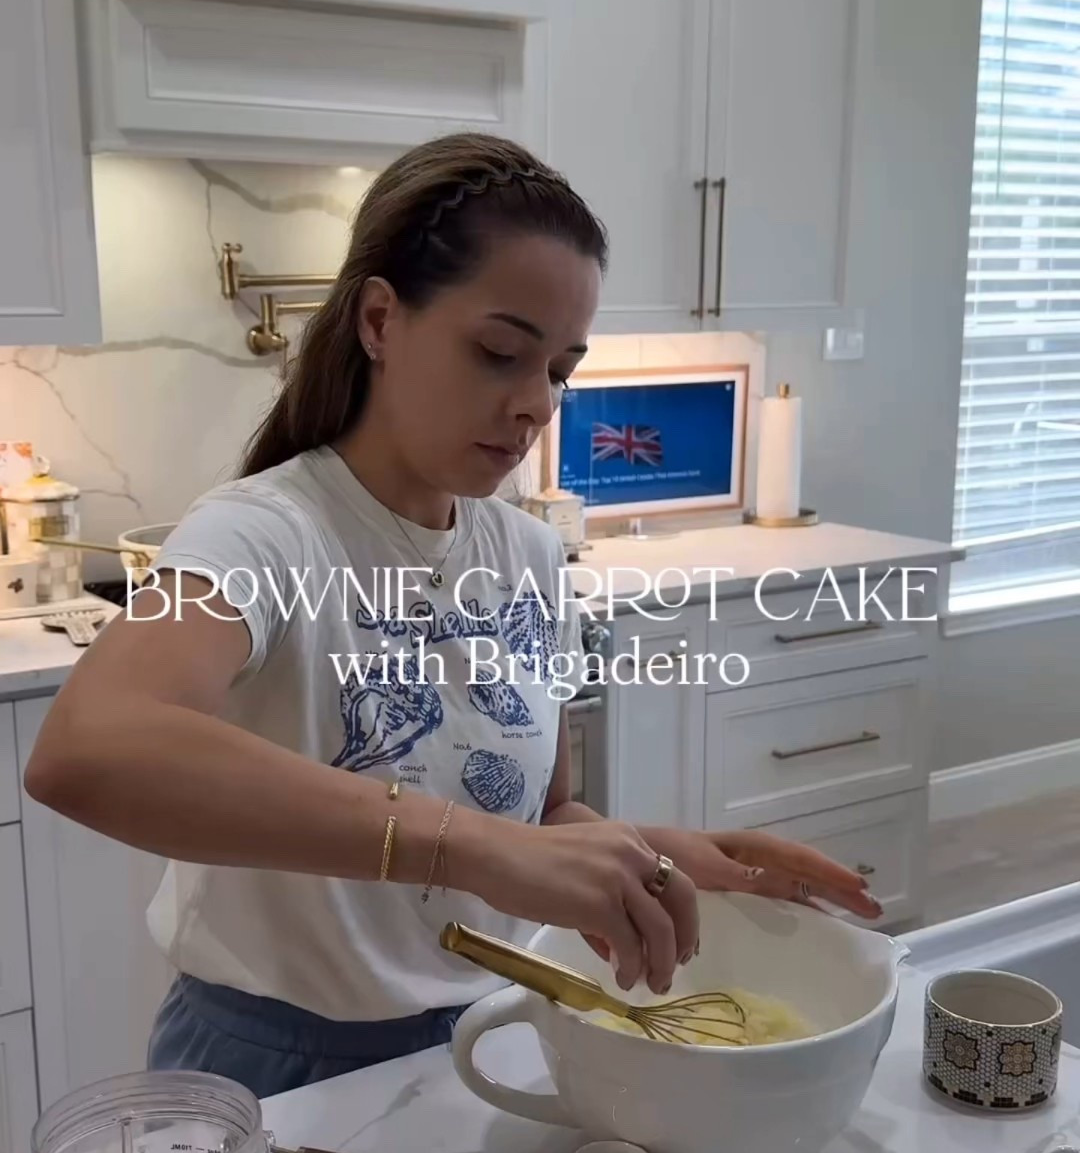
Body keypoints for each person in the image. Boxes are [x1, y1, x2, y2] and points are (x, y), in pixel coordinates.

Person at [25, 134, 881, 1098]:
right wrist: (476, 850)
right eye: (499, 353)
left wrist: (656, 859)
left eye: (559, 370)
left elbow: (539, 814)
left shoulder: (530, 556)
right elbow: (88, 750)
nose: (536, 405)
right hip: (278, 1069)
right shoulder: (265, 534)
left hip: (491, 1034)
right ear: (380, 321)